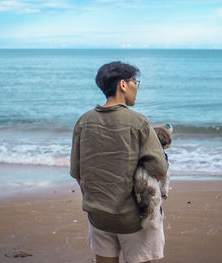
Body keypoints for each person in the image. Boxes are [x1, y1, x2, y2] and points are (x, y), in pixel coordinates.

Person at [70, 61, 168, 263]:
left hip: (98, 215)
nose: (136, 88)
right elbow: (159, 170)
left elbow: (78, 173)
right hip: (133, 219)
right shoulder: (138, 122)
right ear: (123, 84)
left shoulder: (83, 121)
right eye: (135, 82)